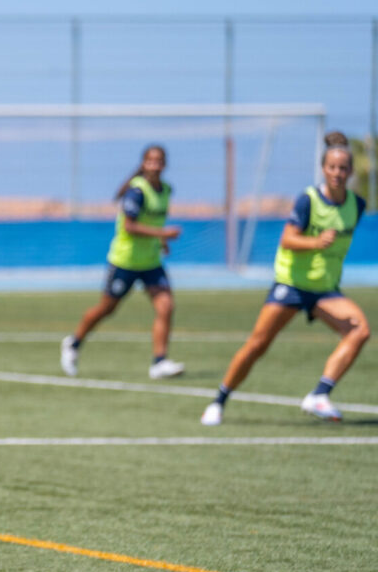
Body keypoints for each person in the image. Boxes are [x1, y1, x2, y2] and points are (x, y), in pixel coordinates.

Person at [201, 134, 368, 425]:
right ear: (323, 169)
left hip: (325, 290)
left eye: (343, 168)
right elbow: (288, 238)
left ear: (350, 172)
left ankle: (320, 394)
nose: (338, 173)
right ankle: (218, 401)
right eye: (332, 167)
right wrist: (316, 242)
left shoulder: (357, 205)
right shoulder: (308, 200)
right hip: (291, 285)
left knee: (359, 330)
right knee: (258, 344)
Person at [60, 145, 185, 379]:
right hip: (125, 261)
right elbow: (130, 226)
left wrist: (162, 243)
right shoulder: (135, 192)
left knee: (166, 306)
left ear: (165, 165)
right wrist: (163, 235)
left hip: (150, 262)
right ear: (144, 164)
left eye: (159, 161)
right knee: (107, 309)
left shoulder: (166, 190)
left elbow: (155, 221)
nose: (155, 165)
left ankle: (159, 362)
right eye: (151, 161)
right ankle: (73, 343)